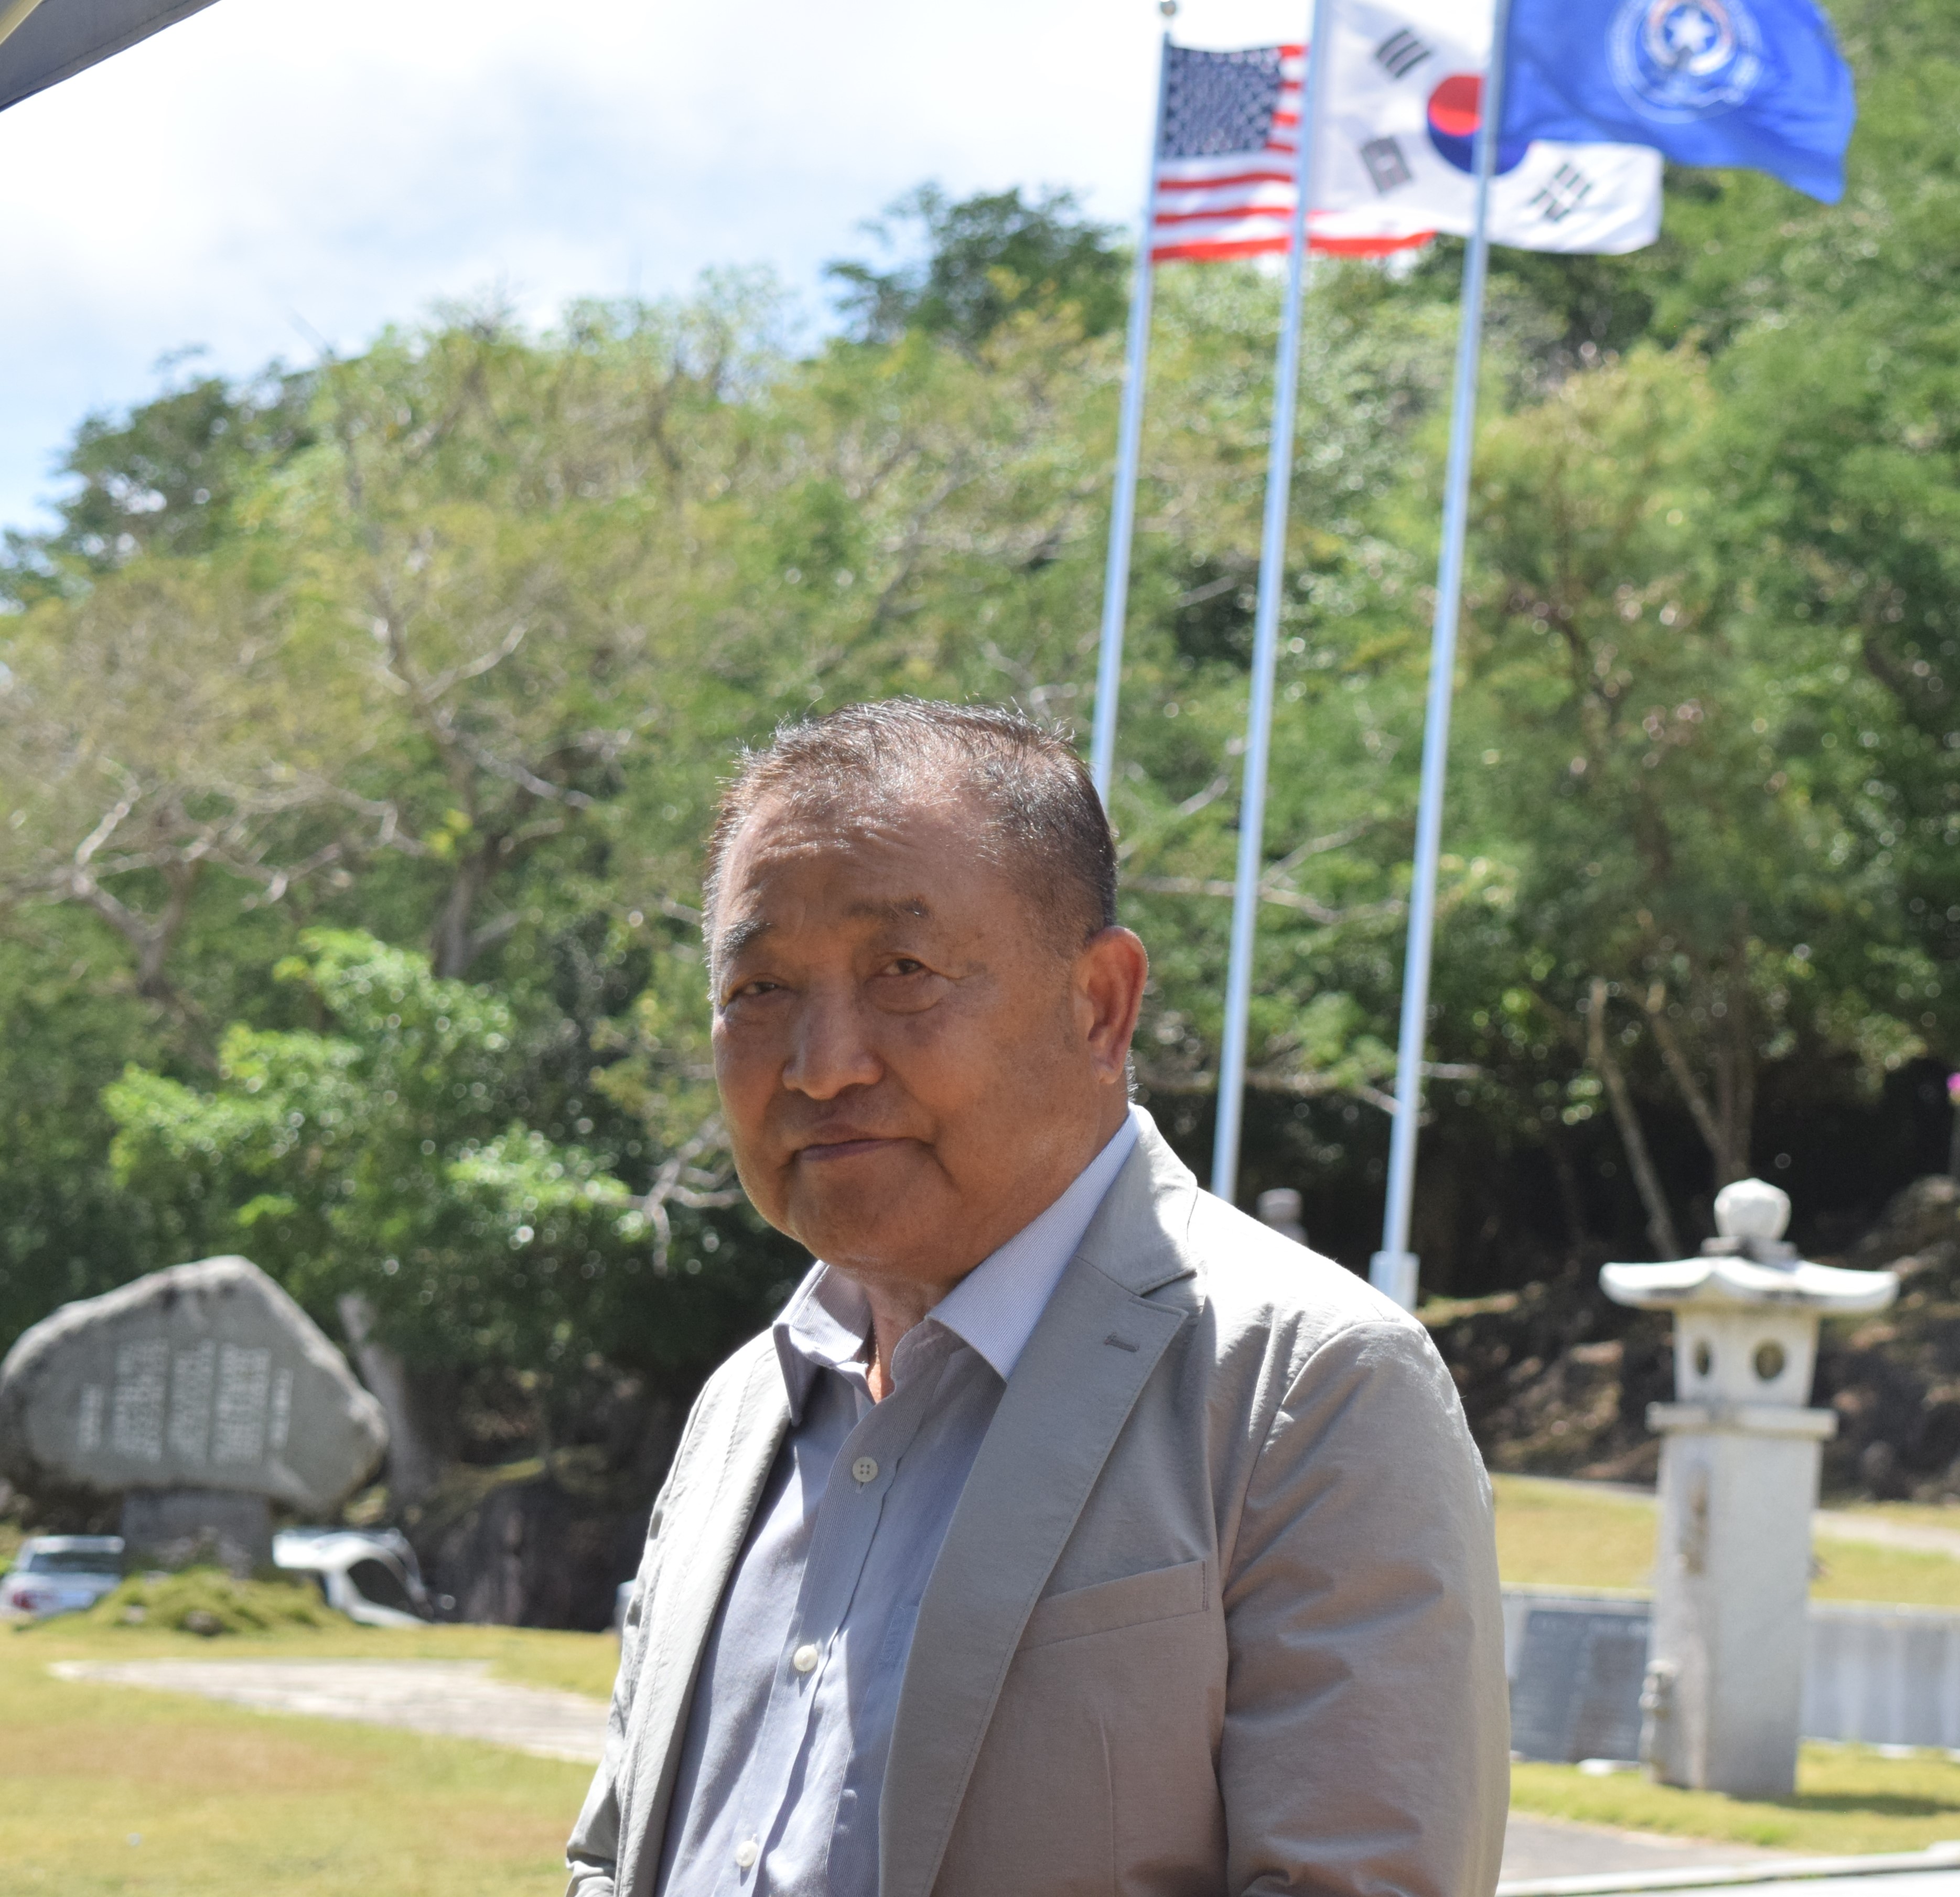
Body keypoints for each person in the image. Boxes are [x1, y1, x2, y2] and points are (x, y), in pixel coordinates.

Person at [567, 699, 1509, 1897]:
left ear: (1100, 1005)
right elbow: (613, 1858)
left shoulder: (1306, 1390)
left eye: (902, 972)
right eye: (759, 989)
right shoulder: (744, 1409)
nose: (823, 1063)